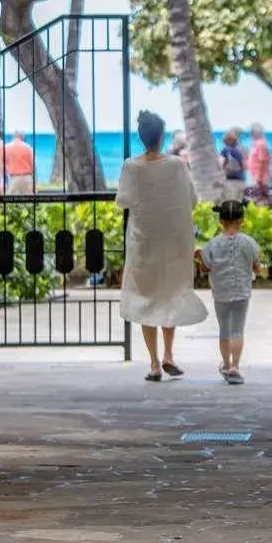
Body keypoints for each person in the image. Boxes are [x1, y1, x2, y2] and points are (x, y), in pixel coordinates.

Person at [116, 110, 207, 380]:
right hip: (174, 242)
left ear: (141, 137)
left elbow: (123, 200)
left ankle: (154, 363)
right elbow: (191, 198)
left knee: (146, 297)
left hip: (144, 242)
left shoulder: (132, 166)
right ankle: (168, 354)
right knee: (170, 293)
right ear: (162, 136)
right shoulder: (177, 164)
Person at [195, 199, 261, 385]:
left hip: (221, 293)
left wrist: (199, 257)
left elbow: (207, 267)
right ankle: (236, 367)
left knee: (224, 330)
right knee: (238, 330)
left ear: (220, 221)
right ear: (242, 220)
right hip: (242, 292)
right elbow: (256, 265)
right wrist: (255, 270)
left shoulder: (213, 245)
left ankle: (225, 364)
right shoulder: (249, 243)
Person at [245, 123, 272, 199]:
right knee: (257, 196)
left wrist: (259, 177)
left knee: (260, 196)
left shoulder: (261, 144)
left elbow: (262, 161)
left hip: (260, 176)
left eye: (251, 132)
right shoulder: (257, 143)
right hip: (256, 175)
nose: (250, 134)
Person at [4, 130, 36, 194]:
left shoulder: (7, 147)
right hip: (27, 177)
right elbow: (33, 165)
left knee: (11, 201)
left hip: (14, 178)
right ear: (23, 137)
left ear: (13, 137)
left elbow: (5, 164)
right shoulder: (29, 147)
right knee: (30, 201)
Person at [220, 128, 247, 200]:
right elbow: (245, 166)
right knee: (239, 201)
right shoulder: (241, 150)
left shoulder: (225, 150)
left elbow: (221, 164)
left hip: (230, 180)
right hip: (241, 179)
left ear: (226, 141)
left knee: (230, 201)